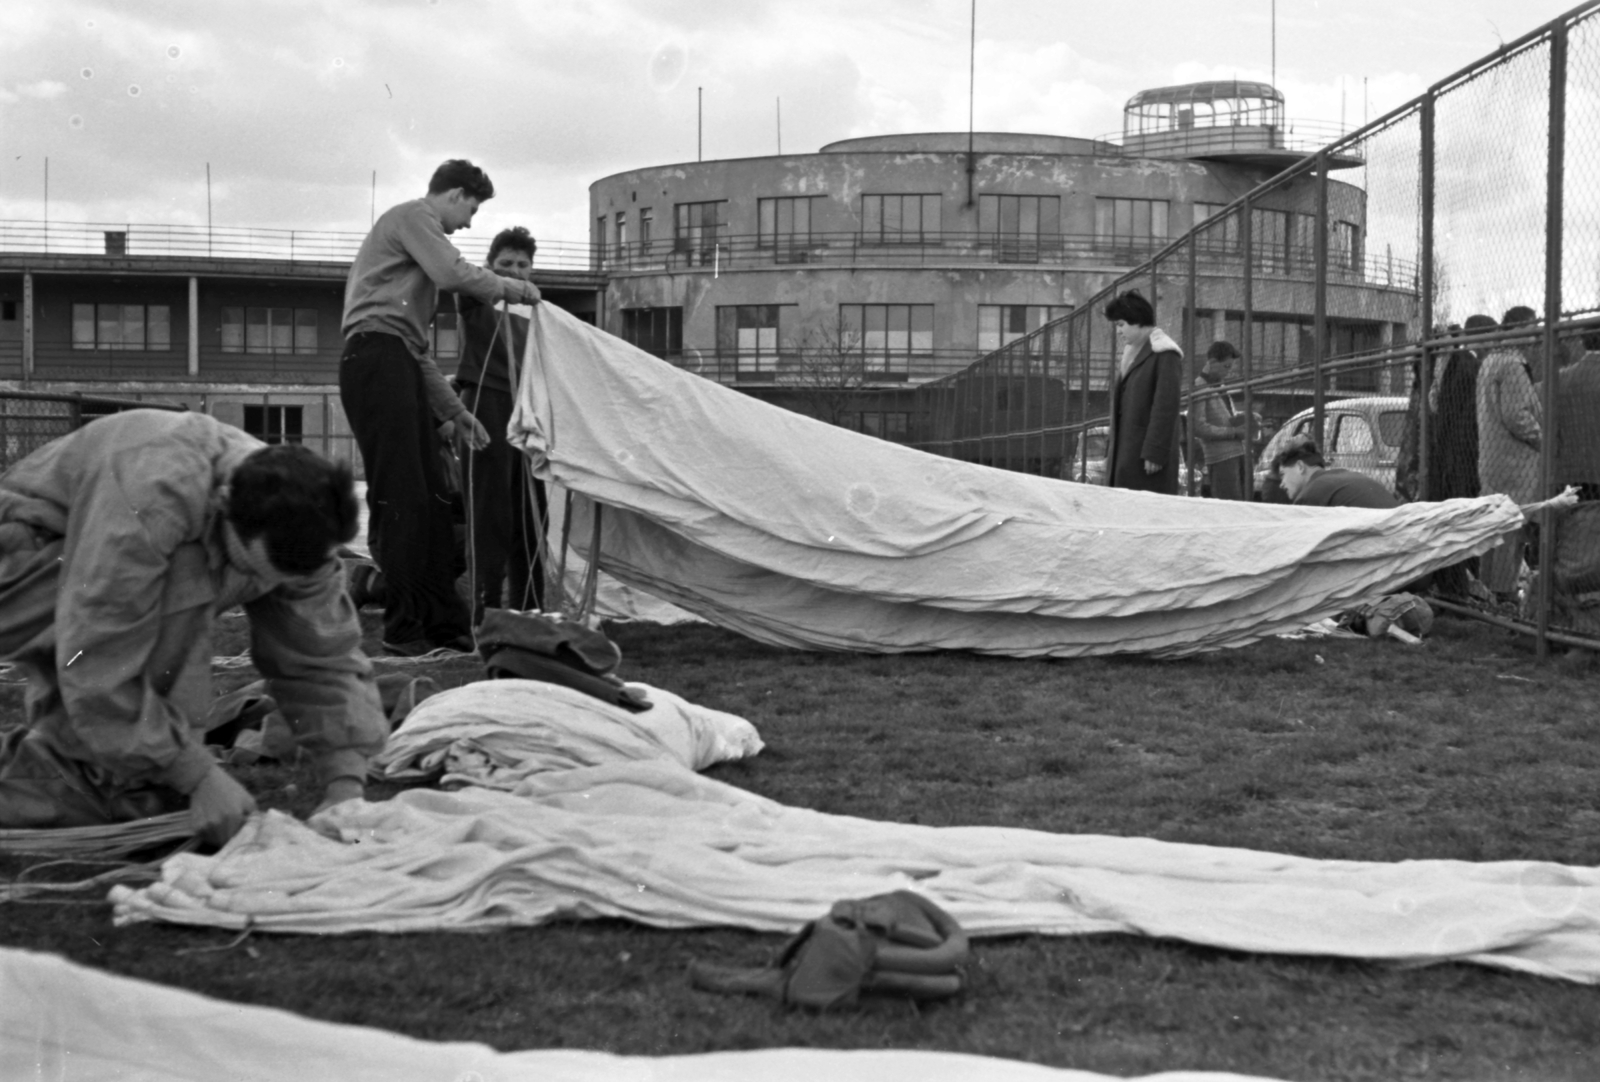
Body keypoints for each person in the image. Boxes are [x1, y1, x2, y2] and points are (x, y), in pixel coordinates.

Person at [0, 409, 388, 846]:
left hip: (106, 562)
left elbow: (321, 650)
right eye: (257, 569)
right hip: (25, 558)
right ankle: (112, 779)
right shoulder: (154, 497)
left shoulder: (305, 520)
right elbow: (96, 655)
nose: (273, 588)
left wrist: (345, 784)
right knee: (186, 579)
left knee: (205, 583)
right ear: (223, 505)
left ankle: (105, 770)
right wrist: (195, 774)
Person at [340, 159, 543, 656]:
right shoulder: (413, 219)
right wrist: (514, 290)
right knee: (405, 498)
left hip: (397, 360)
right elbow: (454, 273)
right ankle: (404, 626)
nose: (469, 222)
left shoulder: (415, 269)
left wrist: (454, 411)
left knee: (430, 501)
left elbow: (417, 352)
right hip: (374, 360)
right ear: (453, 195)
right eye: (470, 209)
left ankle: (439, 623)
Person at [453, 225, 548, 618]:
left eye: (523, 264)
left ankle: (530, 611)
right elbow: (464, 281)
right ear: (489, 265)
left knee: (530, 513)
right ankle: (486, 612)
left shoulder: (539, 311)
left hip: (528, 408)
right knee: (490, 514)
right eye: (505, 263)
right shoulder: (478, 296)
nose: (514, 270)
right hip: (486, 402)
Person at [1476, 305, 1542, 604]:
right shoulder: (1512, 365)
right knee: (1512, 529)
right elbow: (1516, 415)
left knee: (1495, 527)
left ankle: (1490, 587)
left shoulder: (1490, 361)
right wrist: (1542, 440)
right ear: (1517, 328)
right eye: (1531, 326)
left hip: (1493, 456)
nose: (1535, 334)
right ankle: (1503, 591)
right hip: (1516, 461)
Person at [1429, 314, 1494, 597]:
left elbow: (1437, 405)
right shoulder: (1469, 364)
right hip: (1464, 454)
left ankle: (1454, 587)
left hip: (1450, 454)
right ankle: (1462, 586)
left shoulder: (1451, 362)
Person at [1104, 290, 1183, 495]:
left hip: (1144, 459)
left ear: (1137, 320)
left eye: (1121, 325)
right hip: (1127, 454)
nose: (1119, 332)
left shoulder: (1165, 354)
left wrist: (1155, 453)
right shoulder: (1133, 353)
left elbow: (1165, 407)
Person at [1191, 340, 1252, 500]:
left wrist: (1244, 419)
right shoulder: (1199, 386)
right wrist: (1233, 432)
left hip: (1237, 453)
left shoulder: (1219, 385)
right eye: (1226, 367)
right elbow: (1198, 427)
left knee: (1243, 503)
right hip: (1221, 457)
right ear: (1212, 362)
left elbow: (1225, 418)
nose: (1229, 372)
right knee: (1231, 505)